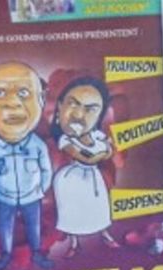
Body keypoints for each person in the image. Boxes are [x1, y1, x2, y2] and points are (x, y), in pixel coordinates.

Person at [0, 61, 53, 270]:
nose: (12, 103)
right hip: (2, 198)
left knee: (33, 225)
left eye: (24, 92)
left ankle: (37, 252)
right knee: (5, 227)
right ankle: (5, 255)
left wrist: (40, 189)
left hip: (32, 196)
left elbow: (46, 168)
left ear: (41, 100)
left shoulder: (38, 145)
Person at [50, 77, 117, 257]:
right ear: (59, 107)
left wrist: (102, 153)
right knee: (72, 211)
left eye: (90, 109)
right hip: (71, 180)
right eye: (73, 104)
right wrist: (101, 153)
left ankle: (105, 234)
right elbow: (87, 157)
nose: (79, 115)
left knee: (98, 207)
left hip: (93, 178)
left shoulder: (97, 135)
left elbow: (108, 152)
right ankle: (74, 243)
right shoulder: (66, 140)